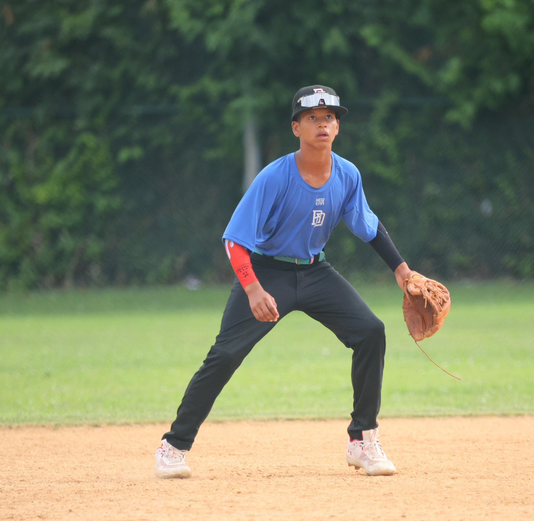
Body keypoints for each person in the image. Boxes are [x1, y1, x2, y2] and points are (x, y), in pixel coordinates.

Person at [155, 85, 420, 478]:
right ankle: (173, 446)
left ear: (338, 127)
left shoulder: (347, 175)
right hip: (265, 271)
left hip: (314, 271)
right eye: (312, 117)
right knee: (225, 354)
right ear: (296, 127)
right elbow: (234, 240)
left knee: (370, 332)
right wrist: (252, 288)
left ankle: (362, 440)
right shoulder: (274, 177)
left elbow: (368, 225)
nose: (323, 124)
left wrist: (402, 271)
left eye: (330, 116)